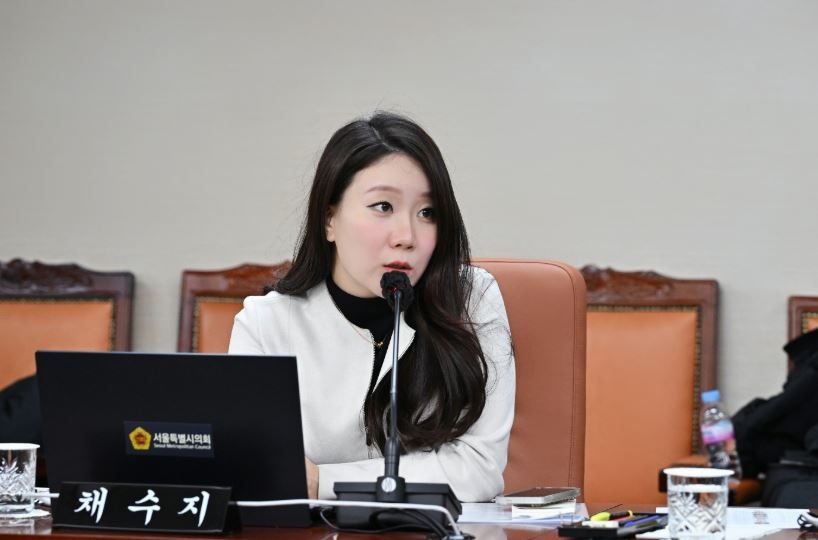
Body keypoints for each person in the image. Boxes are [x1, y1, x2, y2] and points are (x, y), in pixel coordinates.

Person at [228, 111, 515, 502]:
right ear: (329, 219)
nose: (406, 236)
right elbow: (261, 470)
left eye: (427, 212)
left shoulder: (470, 300)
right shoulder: (267, 324)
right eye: (383, 206)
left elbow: (478, 470)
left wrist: (322, 481)